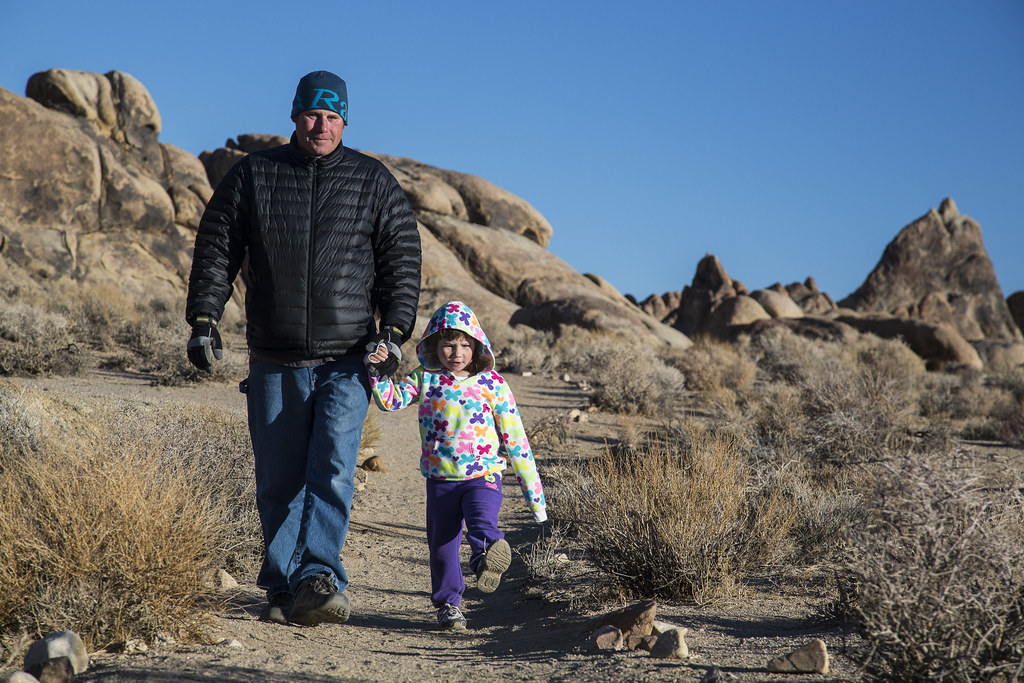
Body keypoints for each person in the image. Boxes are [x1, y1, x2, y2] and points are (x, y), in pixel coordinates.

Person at [185, 70, 421, 627]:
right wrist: (203, 319)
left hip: (349, 357)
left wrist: (394, 333)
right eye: (312, 115)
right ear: (295, 116)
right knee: (279, 476)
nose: (322, 125)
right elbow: (217, 247)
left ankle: (319, 576)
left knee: (335, 467)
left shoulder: (372, 181)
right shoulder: (255, 175)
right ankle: (282, 583)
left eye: (332, 116)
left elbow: (402, 261)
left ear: (345, 120)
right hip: (275, 356)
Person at [365, 300, 546, 631]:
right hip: (440, 479)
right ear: (434, 343)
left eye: (465, 344)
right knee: (442, 544)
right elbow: (392, 401)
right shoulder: (426, 378)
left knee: (482, 520)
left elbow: (516, 439)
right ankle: (449, 606)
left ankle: (486, 554)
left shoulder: (492, 383)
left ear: (477, 344)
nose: (457, 352)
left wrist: (536, 500)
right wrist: (377, 372)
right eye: (449, 344)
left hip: (483, 474)